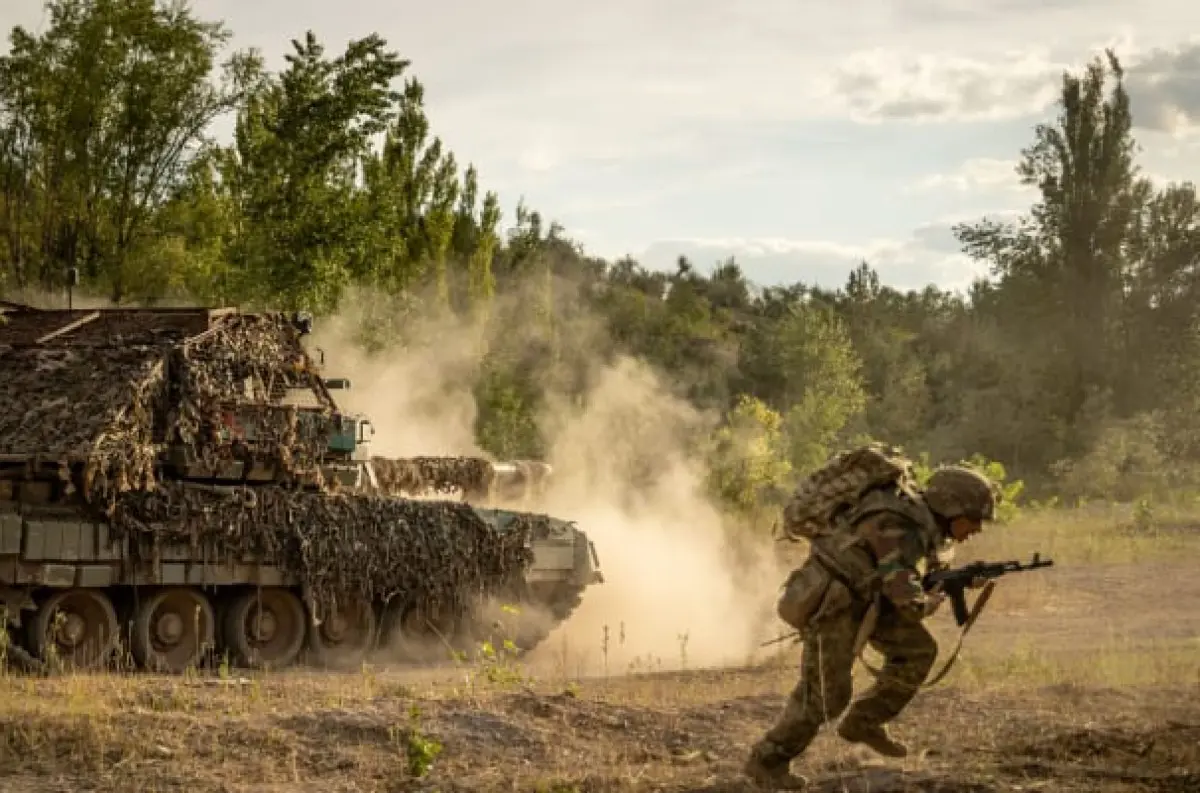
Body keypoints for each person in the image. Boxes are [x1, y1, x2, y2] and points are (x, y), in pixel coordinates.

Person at [744, 465, 998, 790]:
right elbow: (906, 597)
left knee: (918, 651)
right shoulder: (897, 525)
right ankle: (768, 760)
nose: (976, 528)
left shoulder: (923, 524)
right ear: (951, 508)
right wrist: (932, 600)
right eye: (974, 518)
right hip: (834, 604)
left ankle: (863, 721)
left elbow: (915, 575)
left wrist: (954, 581)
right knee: (826, 696)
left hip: (868, 597)